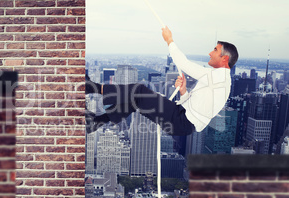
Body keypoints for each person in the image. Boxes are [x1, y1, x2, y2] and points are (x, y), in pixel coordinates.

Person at [85, 26, 238, 136]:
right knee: (136, 99)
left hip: (181, 121)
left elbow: (184, 64)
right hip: (183, 120)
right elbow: (201, 109)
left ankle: (92, 88)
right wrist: (184, 92)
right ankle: (96, 122)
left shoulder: (217, 77)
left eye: (215, 50)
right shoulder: (221, 81)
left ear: (224, 58)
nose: (210, 53)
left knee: (139, 91)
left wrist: (169, 40)